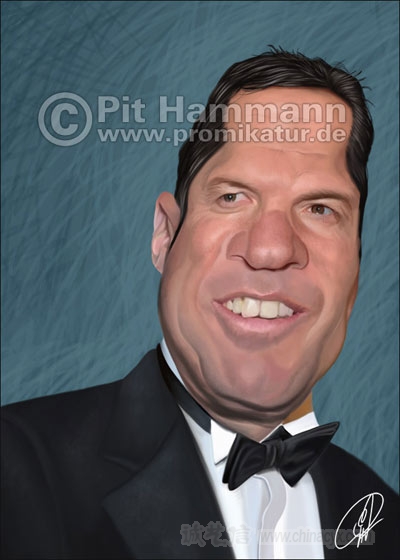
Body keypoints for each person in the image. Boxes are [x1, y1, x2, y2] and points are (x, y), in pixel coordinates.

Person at [1, 48, 398, 559]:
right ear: (165, 236)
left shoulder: (385, 518)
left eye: (320, 209)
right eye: (232, 197)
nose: (271, 249)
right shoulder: (16, 469)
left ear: (355, 274)